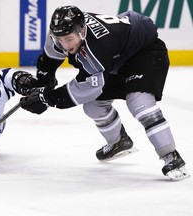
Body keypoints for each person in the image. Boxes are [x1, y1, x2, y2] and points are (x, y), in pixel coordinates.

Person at [19, 5, 189, 181]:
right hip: (117, 60)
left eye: (68, 39)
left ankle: (171, 155)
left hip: (145, 53)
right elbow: (49, 61)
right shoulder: (61, 33)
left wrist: (48, 99)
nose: (64, 44)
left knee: (139, 103)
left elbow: (86, 87)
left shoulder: (97, 48)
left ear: (82, 31)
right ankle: (119, 142)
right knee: (93, 106)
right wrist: (42, 82)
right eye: (59, 39)